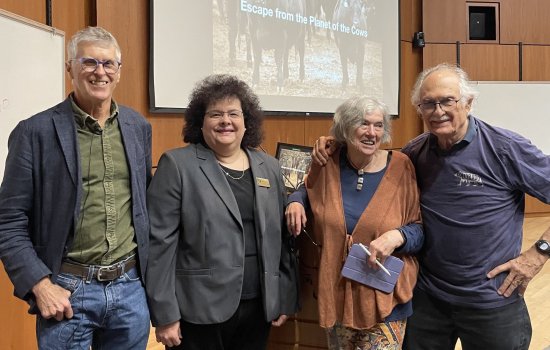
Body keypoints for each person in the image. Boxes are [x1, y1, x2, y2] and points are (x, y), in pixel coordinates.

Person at [312, 63, 550, 350]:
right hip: (429, 302)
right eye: (428, 104)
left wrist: (538, 255)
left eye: (447, 101)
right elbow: (370, 158)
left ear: (468, 102)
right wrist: (334, 145)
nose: (438, 111)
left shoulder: (505, 148)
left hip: (492, 300)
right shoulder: (415, 153)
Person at [0, 26, 152, 349]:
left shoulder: (138, 127)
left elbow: (143, 207)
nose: (100, 72)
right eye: (89, 62)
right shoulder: (34, 133)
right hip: (68, 293)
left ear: (119, 72)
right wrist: (40, 285)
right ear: (69, 68)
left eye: (108, 64)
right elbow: (8, 221)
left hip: (129, 290)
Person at [145, 74, 299, 350]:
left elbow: (282, 239)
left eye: (233, 114)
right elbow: (160, 246)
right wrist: (165, 314)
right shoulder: (178, 166)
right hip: (199, 310)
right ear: (200, 122)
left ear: (246, 121)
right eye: (215, 114)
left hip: (259, 307)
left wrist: (282, 296)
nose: (225, 121)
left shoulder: (269, 167)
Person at [286, 96, 424, 350]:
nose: (372, 133)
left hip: (386, 299)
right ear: (346, 128)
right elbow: (309, 190)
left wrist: (396, 236)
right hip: (336, 293)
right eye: (363, 124)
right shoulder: (327, 162)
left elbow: (419, 229)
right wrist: (294, 200)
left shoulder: (402, 167)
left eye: (379, 125)